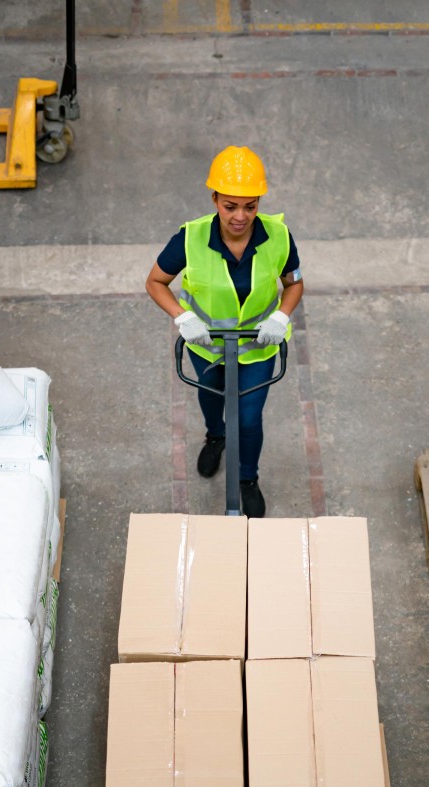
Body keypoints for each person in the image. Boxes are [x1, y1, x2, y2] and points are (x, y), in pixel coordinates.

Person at [145, 145, 304, 518]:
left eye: (250, 206)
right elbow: (155, 282)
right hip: (206, 346)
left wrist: (281, 316)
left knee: (248, 420)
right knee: (211, 404)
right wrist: (182, 317)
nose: (240, 216)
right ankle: (214, 438)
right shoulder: (190, 238)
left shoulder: (278, 237)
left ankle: (248, 478)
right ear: (214, 198)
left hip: (258, 349)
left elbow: (293, 283)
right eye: (230, 205)